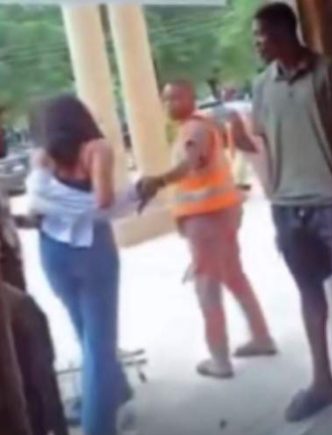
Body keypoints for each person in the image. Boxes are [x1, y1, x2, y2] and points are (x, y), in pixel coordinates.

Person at [227, 2, 332, 421]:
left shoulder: (329, 74)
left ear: (286, 33)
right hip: (288, 206)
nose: (257, 43)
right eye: (255, 37)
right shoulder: (261, 85)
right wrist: (241, 143)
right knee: (309, 293)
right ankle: (322, 380)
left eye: (262, 35)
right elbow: (265, 146)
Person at [137, 80, 277, 379]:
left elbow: (188, 165)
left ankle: (219, 359)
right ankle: (261, 337)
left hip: (207, 217)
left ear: (191, 98)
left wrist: (158, 181)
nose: (170, 105)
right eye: (166, 100)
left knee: (206, 285)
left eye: (176, 98)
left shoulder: (194, 130)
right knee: (233, 276)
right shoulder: (199, 126)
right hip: (220, 212)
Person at [25, 94, 145, 435]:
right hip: (93, 251)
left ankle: (114, 391)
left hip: (52, 250)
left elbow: (36, 209)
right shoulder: (96, 149)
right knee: (100, 343)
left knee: (85, 333)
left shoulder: (41, 157)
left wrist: (57, 202)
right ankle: (99, 426)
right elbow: (103, 201)